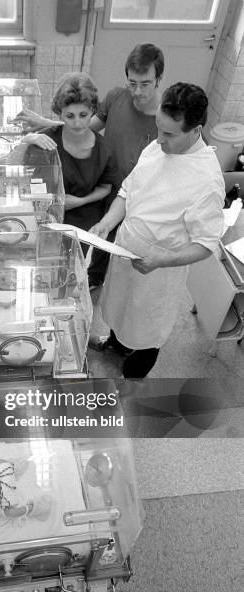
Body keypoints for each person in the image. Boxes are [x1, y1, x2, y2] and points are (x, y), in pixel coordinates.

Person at [90, 83, 225, 378]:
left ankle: (133, 379)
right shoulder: (158, 146)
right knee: (118, 306)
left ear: (196, 131)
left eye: (169, 134)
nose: (159, 139)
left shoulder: (207, 181)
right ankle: (115, 343)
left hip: (158, 271)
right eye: (158, 129)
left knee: (147, 330)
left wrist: (160, 261)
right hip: (126, 249)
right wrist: (108, 222)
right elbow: (129, 190)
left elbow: (205, 244)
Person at [13, 44, 164, 287]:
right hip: (100, 186)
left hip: (131, 193)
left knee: (109, 244)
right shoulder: (116, 98)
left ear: (158, 79)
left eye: (145, 83)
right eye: (132, 82)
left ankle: (94, 280)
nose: (137, 91)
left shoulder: (163, 119)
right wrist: (43, 127)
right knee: (92, 236)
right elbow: (83, 126)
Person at [20, 72, 117, 241]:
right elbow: (25, 183)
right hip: (47, 223)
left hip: (88, 227)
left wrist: (79, 201)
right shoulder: (45, 143)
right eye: (70, 116)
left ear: (93, 110)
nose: (78, 123)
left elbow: (106, 188)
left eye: (84, 115)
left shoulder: (104, 150)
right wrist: (27, 139)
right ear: (59, 113)